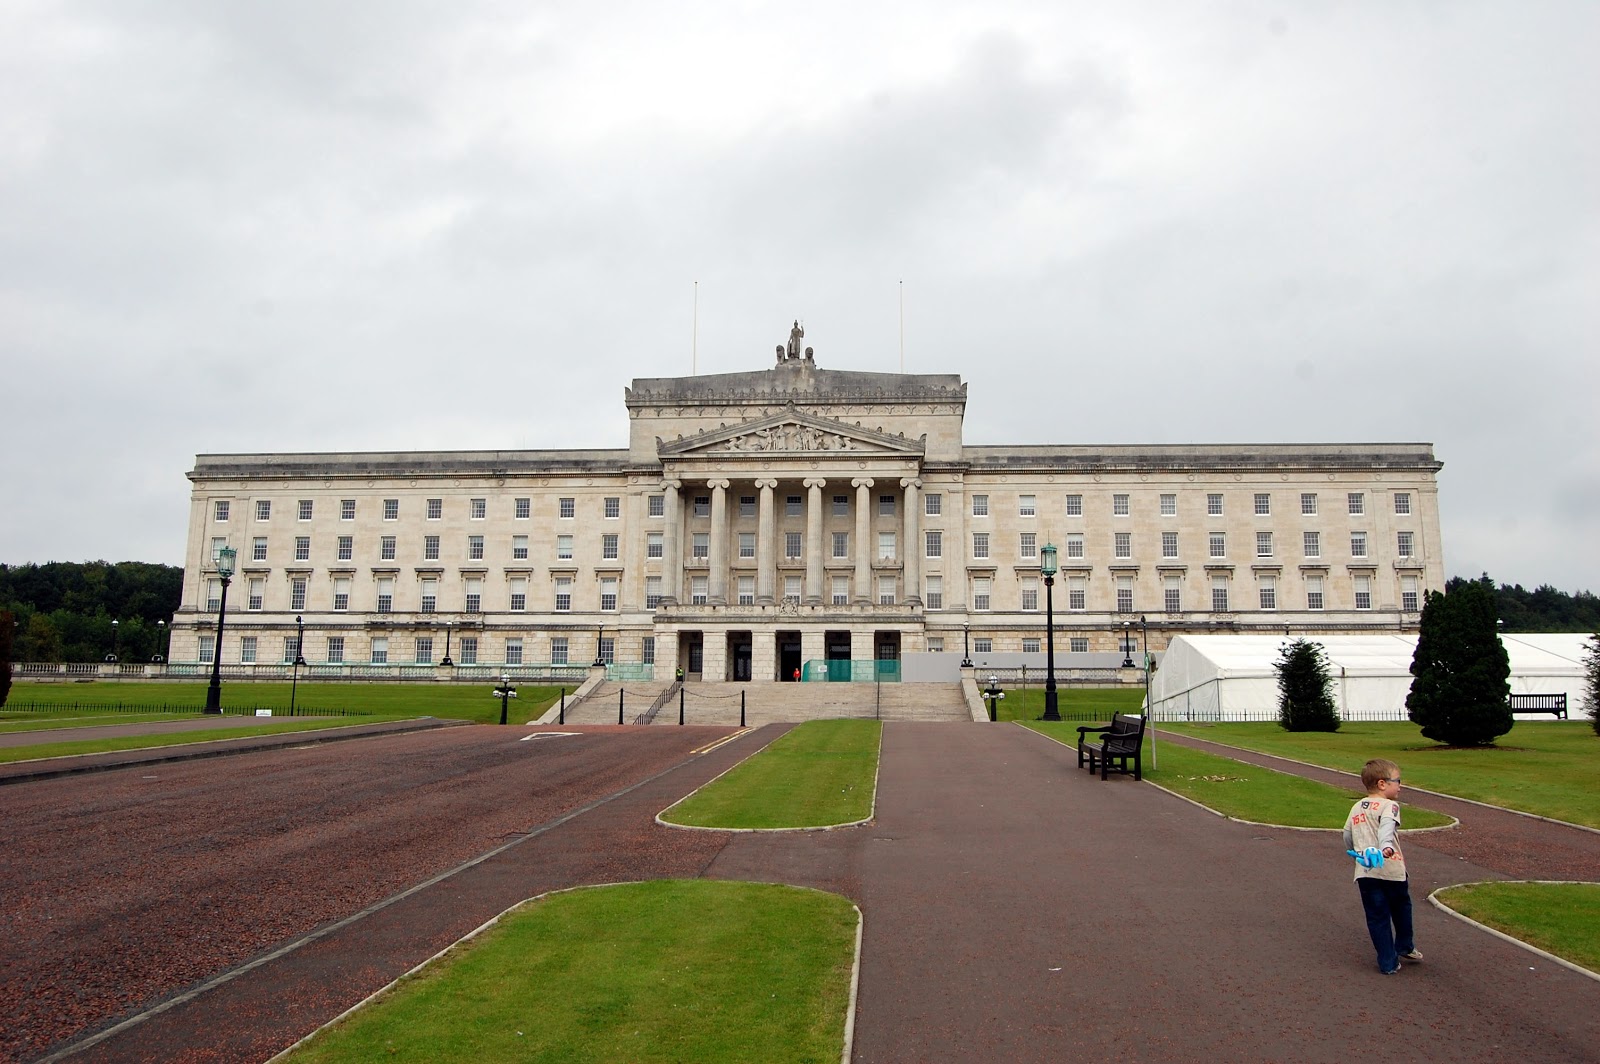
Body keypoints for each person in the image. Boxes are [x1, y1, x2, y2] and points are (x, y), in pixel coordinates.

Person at [1342, 758, 1423, 974]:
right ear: (1382, 784)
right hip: (1391, 870)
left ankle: (1388, 962)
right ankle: (1404, 945)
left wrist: (1358, 855)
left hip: (1365, 871)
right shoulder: (1390, 806)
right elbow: (1387, 827)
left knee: (1376, 915)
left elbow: (1347, 835)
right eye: (1397, 781)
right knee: (1401, 908)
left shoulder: (1356, 806)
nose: (1400, 785)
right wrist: (1386, 846)